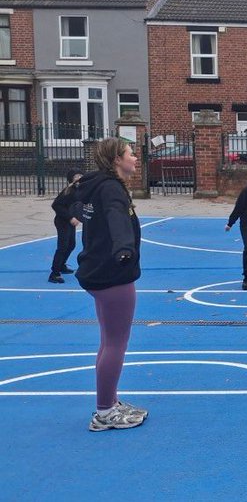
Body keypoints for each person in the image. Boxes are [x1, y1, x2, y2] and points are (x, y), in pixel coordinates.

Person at [72, 138, 148, 431]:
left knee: (108, 341)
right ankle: (104, 411)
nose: (135, 158)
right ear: (117, 159)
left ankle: (109, 400)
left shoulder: (96, 185)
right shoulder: (112, 189)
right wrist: (123, 250)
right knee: (117, 343)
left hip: (96, 271)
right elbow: (117, 221)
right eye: (131, 153)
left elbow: (76, 203)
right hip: (112, 273)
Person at [49, 169, 83, 283]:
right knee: (63, 246)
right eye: (76, 176)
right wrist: (70, 217)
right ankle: (54, 273)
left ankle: (62, 265)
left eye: (80, 176)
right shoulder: (69, 191)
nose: (79, 178)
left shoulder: (81, 190)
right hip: (62, 221)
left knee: (71, 245)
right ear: (71, 180)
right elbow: (56, 205)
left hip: (70, 221)